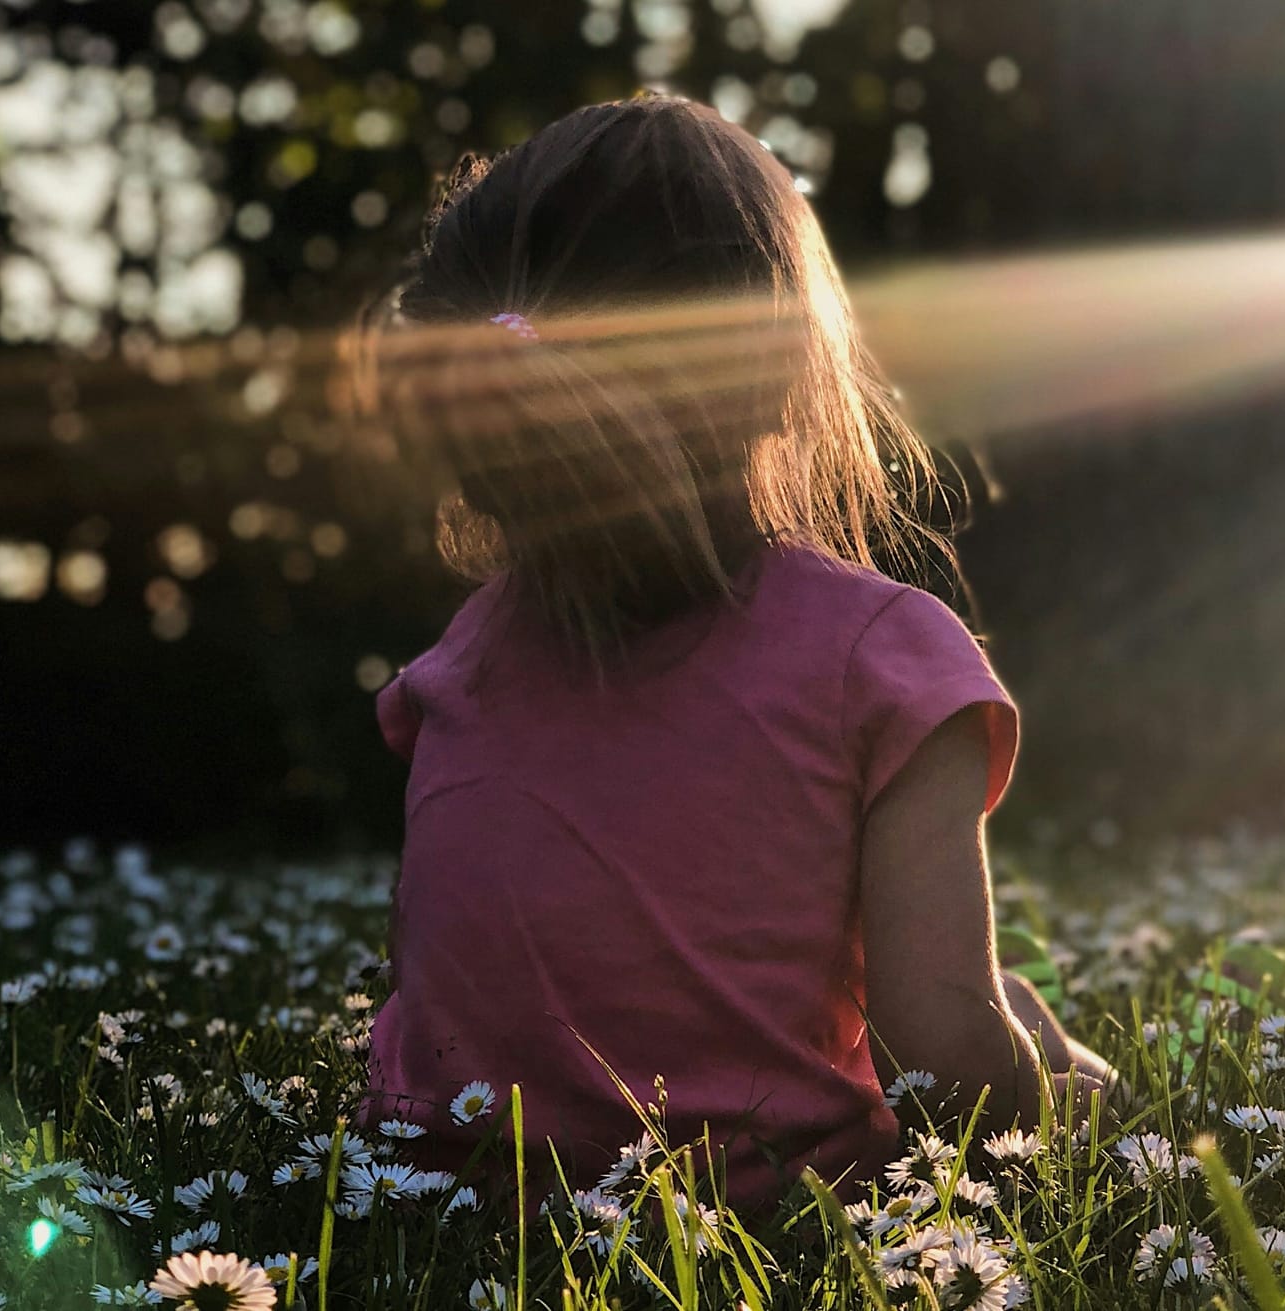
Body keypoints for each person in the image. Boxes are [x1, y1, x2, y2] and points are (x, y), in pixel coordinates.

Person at [353, 94, 1109, 1210]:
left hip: (443, 1200)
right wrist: (1066, 1099)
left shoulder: (458, 665)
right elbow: (942, 1059)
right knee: (1022, 1030)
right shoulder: (882, 660)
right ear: (773, 370)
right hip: (760, 1216)